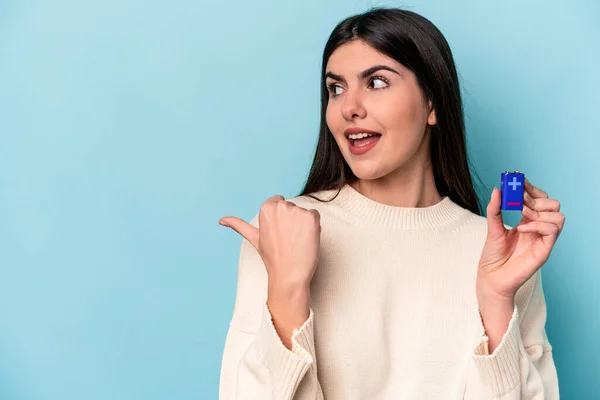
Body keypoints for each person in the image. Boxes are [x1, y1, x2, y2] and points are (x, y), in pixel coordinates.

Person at [217, 7, 563, 400]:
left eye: (377, 82)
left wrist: (497, 303)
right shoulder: (281, 235)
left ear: (432, 104)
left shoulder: (500, 252)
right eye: (336, 88)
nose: (349, 107)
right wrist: (287, 289)